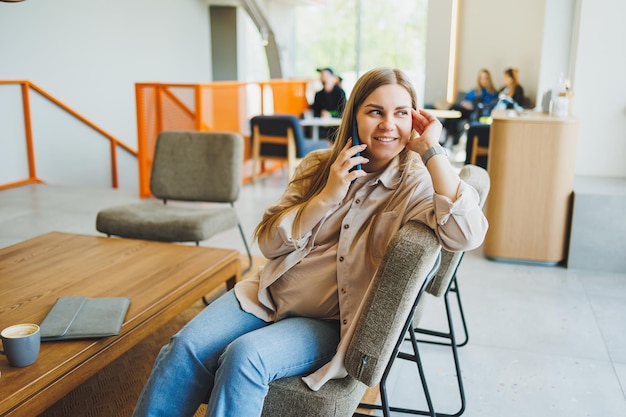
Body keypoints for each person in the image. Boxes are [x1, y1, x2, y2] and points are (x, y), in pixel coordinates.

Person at [132, 67, 489, 417]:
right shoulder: (318, 165)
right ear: (354, 116)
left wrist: (432, 150)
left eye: (400, 113)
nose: (388, 125)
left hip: (327, 321)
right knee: (182, 348)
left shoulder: (417, 183)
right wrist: (326, 198)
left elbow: (468, 234)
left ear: (414, 120)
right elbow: (269, 245)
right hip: (268, 294)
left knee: (244, 357)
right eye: (375, 111)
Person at [444, 68, 498, 146]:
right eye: (482, 78)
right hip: (466, 110)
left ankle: (446, 133)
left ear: (489, 79)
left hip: (476, 112)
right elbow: (465, 100)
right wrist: (466, 104)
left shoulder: (492, 92)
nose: (484, 80)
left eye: (486, 78)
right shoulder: (475, 90)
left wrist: (473, 106)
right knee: (454, 112)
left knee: (455, 109)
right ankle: (450, 137)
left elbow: (486, 106)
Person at [310, 67, 347, 140]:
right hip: (322, 127)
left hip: (336, 127)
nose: (323, 77)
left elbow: (344, 111)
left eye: (325, 75)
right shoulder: (318, 95)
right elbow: (315, 112)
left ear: (332, 77)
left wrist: (331, 115)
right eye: (322, 75)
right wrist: (321, 114)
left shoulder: (340, 92)